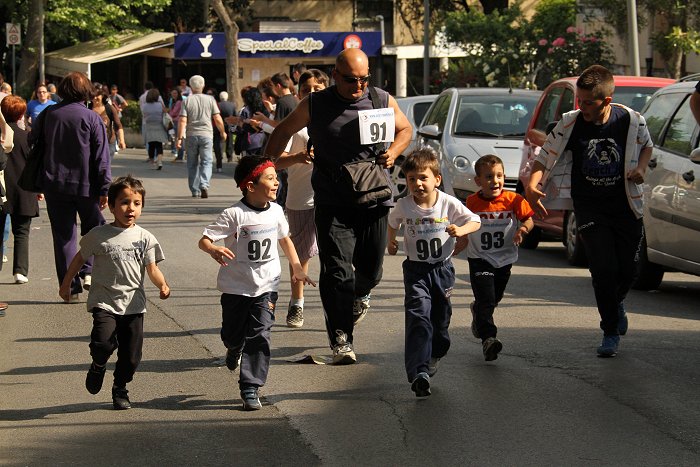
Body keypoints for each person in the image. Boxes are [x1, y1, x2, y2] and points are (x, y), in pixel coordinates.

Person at [264, 48, 412, 364]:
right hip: (332, 200)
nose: (358, 86)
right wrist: (266, 164)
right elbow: (283, 130)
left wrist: (395, 152)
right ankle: (341, 338)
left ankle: (361, 294)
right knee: (337, 272)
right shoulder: (315, 104)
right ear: (335, 75)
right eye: (350, 80)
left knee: (370, 271)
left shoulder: (380, 99)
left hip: (373, 198)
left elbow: (405, 129)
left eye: (363, 80)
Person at [525, 65, 652, 358]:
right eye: (579, 101)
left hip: (626, 205)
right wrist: (532, 186)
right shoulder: (570, 123)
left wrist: (642, 168)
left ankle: (616, 303)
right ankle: (610, 330)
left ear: (606, 101)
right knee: (603, 269)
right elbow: (544, 157)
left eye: (588, 103)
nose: (582, 107)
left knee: (629, 269)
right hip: (589, 207)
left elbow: (647, 146)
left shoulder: (631, 120)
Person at [198, 155, 314, 411]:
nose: (277, 183)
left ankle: (250, 386)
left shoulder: (276, 211)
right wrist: (214, 249)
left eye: (277, 178)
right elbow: (204, 240)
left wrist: (296, 267)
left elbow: (285, 239)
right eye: (270, 178)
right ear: (251, 186)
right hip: (235, 287)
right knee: (232, 334)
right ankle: (233, 347)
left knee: (260, 334)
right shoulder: (234, 214)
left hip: (266, 286)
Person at [59, 175, 170, 410]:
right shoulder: (99, 235)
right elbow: (79, 259)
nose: (131, 209)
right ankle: (98, 364)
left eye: (137, 203)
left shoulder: (145, 237)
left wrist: (162, 285)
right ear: (111, 206)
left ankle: (120, 387)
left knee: (132, 356)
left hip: (134, 305)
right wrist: (66, 284)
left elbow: (152, 269)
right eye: (124, 202)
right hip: (104, 301)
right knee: (102, 343)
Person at [387, 149, 481, 397]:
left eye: (423, 178)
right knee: (418, 317)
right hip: (415, 271)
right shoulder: (404, 205)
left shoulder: (448, 203)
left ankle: (436, 352)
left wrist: (461, 231)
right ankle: (419, 372)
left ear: (437, 179)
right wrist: (391, 241)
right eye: (411, 179)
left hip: (442, 269)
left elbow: (475, 220)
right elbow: (392, 222)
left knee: (440, 321)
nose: (417, 184)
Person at [29, 71, 111, 300]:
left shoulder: (48, 114)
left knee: (63, 237)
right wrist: (105, 188)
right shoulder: (92, 118)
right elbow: (101, 157)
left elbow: (32, 140)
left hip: (54, 184)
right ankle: (88, 271)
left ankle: (69, 289)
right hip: (87, 186)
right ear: (86, 91)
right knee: (94, 230)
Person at [268, 69, 327, 328]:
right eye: (306, 90)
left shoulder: (339, 120)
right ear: (297, 93)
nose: (312, 94)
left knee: (336, 256)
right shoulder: (295, 126)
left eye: (317, 89)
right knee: (300, 256)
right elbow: (274, 161)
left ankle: (338, 307)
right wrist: (298, 157)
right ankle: (296, 303)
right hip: (301, 200)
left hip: (331, 199)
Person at [466, 154, 534, 361]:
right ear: (478, 180)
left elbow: (529, 220)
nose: (495, 181)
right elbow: (464, 223)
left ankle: (478, 312)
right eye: (488, 177)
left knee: (494, 298)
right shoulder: (471, 202)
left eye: (499, 176)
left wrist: (522, 229)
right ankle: (489, 338)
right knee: (486, 299)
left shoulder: (514, 200)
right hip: (480, 258)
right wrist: (459, 240)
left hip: (504, 259)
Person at [0, 95, 42, 284]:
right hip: (23, 188)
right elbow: (34, 165)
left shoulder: (2, 136)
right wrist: (39, 188)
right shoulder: (26, 137)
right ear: (20, 115)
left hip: (2, 188)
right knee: (22, 231)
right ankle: (20, 271)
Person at [175, 75, 227, 198]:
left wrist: (179, 138)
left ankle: (195, 190)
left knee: (192, 163)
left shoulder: (186, 100)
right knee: (207, 162)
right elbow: (217, 118)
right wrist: (222, 132)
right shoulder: (210, 99)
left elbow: (182, 120)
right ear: (203, 85)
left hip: (191, 135)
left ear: (191, 87)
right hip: (206, 135)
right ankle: (204, 184)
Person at [90, 86, 126, 159]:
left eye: (97, 95)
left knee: (104, 162)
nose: (95, 98)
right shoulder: (87, 108)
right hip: (92, 142)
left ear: (102, 96)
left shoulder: (109, 108)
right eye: (93, 96)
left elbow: (118, 125)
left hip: (108, 142)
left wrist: (122, 140)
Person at [140, 88, 169, 170]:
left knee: (151, 145)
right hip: (159, 125)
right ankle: (159, 161)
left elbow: (144, 115)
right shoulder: (160, 105)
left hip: (149, 126)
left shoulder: (144, 106)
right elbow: (165, 112)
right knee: (159, 144)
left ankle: (152, 162)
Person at [218, 91, 236, 164]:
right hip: (229, 125)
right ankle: (229, 157)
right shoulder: (232, 105)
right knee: (229, 141)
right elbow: (235, 115)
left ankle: (220, 156)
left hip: (220, 125)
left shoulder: (217, 105)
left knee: (219, 140)